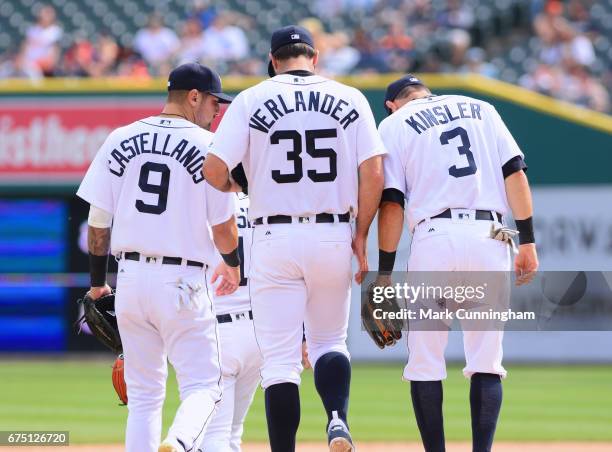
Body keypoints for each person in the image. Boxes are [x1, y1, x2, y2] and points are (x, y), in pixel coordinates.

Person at [202, 25, 386, 452]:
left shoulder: (251, 98)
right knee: (329, 341)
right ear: (315, 58)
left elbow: (213, 170)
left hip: (274, 235)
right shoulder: (351, 97)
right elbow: (374, 171)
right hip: (332, 231)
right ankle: (337, 418)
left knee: (281, 363)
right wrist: (360, 235)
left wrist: (247, 186)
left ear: (272, 61)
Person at [76, 63, 239, 452]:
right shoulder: (209, 148)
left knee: (145, 396)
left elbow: (98, 220)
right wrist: (233, 264)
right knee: (205, 386)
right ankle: (179, 443)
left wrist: (99, 282)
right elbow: (223, 228)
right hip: (183, 281)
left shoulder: (121, 137)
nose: (217, 112)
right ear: (194, 96)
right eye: (214, 102)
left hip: (129, 279)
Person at [376, 75, 539, 452]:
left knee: (426, 361)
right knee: (486, 360)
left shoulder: (394, 123)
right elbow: (514, 172)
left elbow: (392, 202)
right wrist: (528, 240)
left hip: (435, 238)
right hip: (491, 236)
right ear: (426, 92)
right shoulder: (482, 108)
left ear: (392, 103)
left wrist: (384, 272)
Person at [200, 192, 263, 451]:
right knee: (233, 434)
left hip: (218, 330)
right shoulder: (260, 204)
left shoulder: (207, 204)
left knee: (213, 436)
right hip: (257, 332)